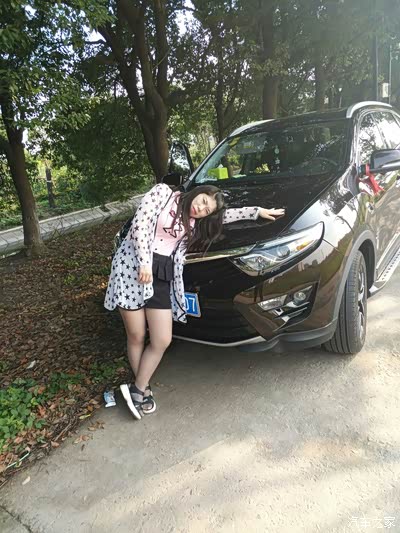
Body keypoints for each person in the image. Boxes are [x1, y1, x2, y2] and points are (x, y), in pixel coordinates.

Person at [104, 183, 285, 419]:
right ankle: (142, 389)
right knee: (137, 335)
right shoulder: (163, 193)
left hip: (161, 274)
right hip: (132, 268)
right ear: (197, 192)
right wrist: (144, 262)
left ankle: (136, 388)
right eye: (202, 201)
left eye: (206, 210)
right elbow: (140, 224)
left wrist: (256, 211)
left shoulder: (196, 221)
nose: (200, 209)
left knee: (162, 339)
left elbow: (225, 216)